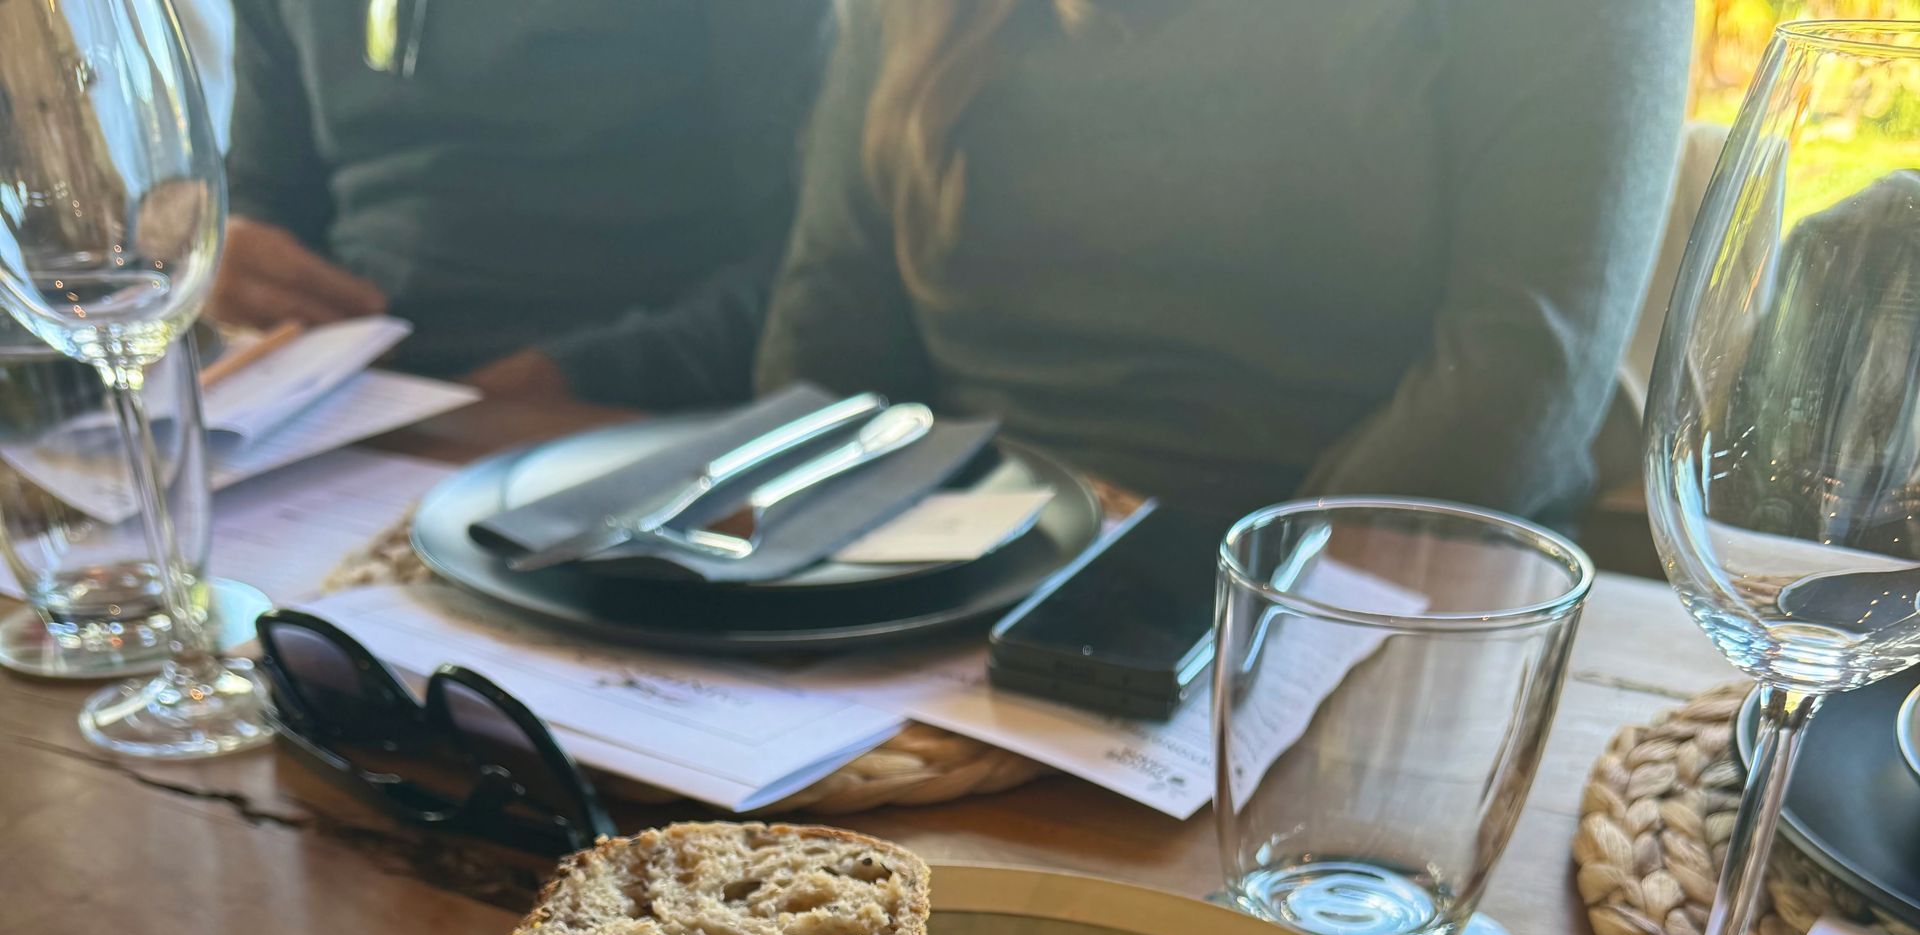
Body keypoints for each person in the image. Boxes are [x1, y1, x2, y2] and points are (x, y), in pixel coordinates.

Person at [758, 0, 1694, 526]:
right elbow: (827, 338)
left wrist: (1224, 611)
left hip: (1364, 612)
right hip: (940, 601)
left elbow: (1520, 378)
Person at [214, 0, 830, 405]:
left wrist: (577, 379)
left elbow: (818, 269)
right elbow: (266, 197)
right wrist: (231, 257)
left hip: (615, 425)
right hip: (347, 413)